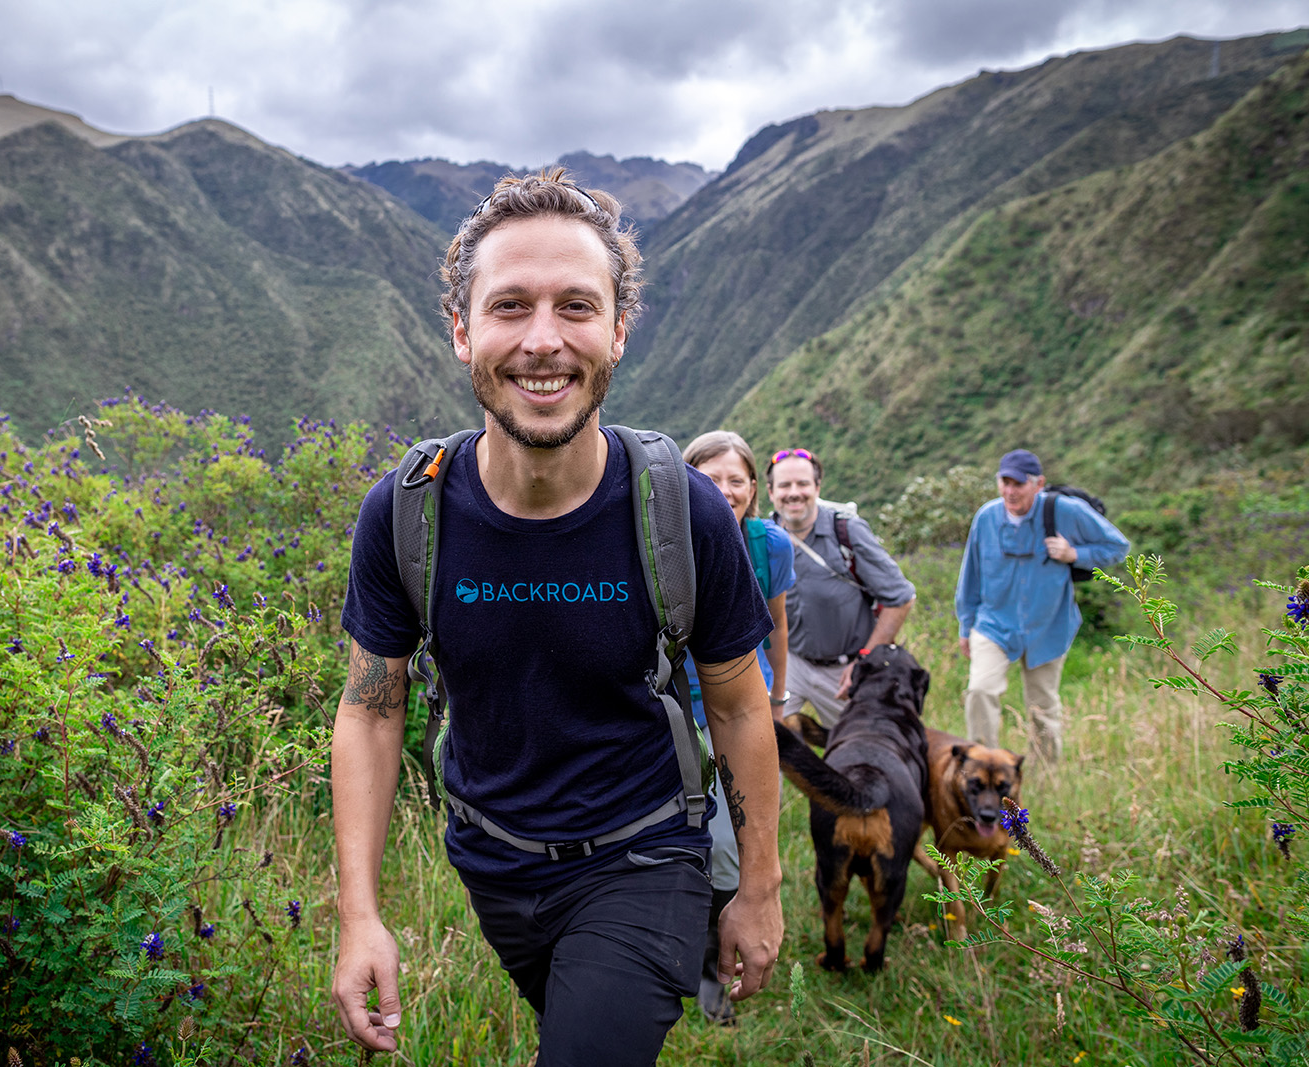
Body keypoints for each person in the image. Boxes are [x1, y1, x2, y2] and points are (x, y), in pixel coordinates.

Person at [330, 172, 785, 1065]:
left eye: (577, 305)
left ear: (617, 327)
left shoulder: (684, 513)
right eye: (510, 306)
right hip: (493, 863)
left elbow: (736, 703)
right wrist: (360, 914)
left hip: (648, 854)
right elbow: (371, 708)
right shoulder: (406, 513)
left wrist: (760, 883)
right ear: (463, 331)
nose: (544, 341)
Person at [680, 429, 795, 1024]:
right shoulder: (665, 539)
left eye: (736, 480)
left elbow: (775, 625)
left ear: (755, 488)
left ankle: (710, 973)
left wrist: (777, 698)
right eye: (708, 477)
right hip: (668, 714)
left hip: (733, 712)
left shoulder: (770, 546)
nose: (724, 491)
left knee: (727, 851)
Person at [955, 449, 1129, 763]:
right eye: (1004, 482)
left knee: (1042, 708)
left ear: (1039, 484)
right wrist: (965, 626)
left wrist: (1074, 554)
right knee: (980, 691)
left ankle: (1045, 779)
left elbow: (1117, 547)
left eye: (1018, 484)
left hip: (1048, 625)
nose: (1010, 491)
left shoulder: (1065, 511)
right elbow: (971, 575)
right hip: (993, 624)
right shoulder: (987, 517)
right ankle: (984, 771)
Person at [768, 448, 916, 729]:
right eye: (784, 485)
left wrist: (865, 662)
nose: (794, 492)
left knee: (860, 749)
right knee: (764, 743)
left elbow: (901, 598)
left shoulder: (846, 531)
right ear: (770, 492)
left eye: (802, 484)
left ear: (817, 487)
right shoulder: (766, 537)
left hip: (844, 670)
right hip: (790, 664)